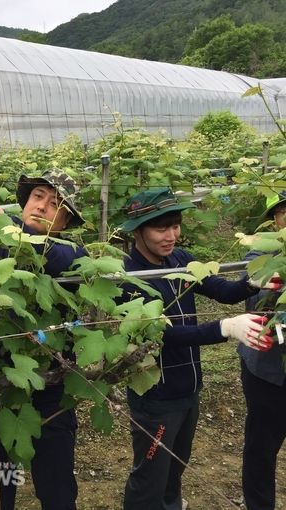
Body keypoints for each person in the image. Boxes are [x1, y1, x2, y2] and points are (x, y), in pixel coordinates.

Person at [118, 188, 276, 510]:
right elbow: (162, 334)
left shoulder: (182, 259)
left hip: (189, 387)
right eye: (160, 228)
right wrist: (224, 328)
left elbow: (223, 291)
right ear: (138, 231)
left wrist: (250, 283)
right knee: (150, 474)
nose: (171, 235)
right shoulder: (128, 277)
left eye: (175, 225)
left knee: (176, 467)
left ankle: (172, 504)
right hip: (156, 397)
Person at [0, 156, 86, 510]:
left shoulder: (71, 254)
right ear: (26, 200)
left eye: (56, 205)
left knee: (57, 493)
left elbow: (41, 254)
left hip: (50, 392)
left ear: (66, 222)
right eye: (38, 196)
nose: (42, 206)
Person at [240, 192, 286, 510]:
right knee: (261, 446)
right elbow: (259, 297)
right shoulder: (262, 255)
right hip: (267, 372)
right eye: (284, 213)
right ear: (275, 221)